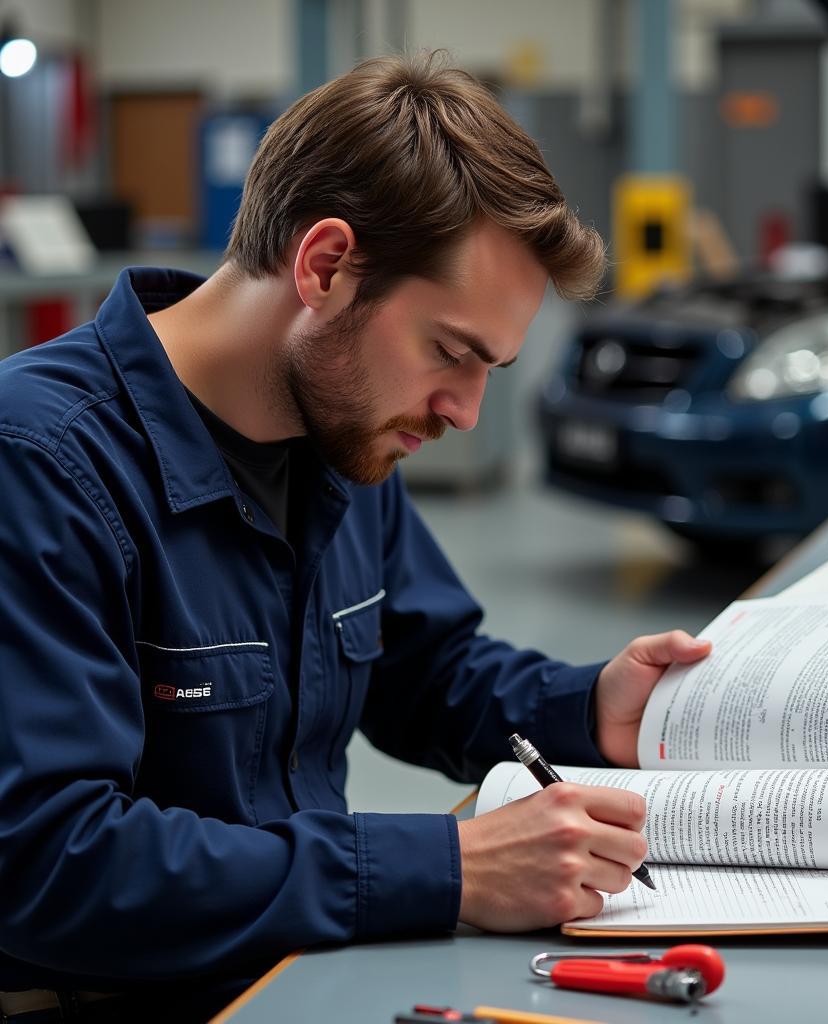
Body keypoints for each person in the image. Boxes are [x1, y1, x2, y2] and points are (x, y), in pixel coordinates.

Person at [0, 52, 711, 1020]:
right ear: (325, 266)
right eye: (451, 352)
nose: (463, 411)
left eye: (491, 368)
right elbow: (48, 861)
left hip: (300, 973)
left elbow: (426, 670)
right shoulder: (40, 463)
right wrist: (445, 866)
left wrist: (592, 707)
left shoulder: (339, 435)